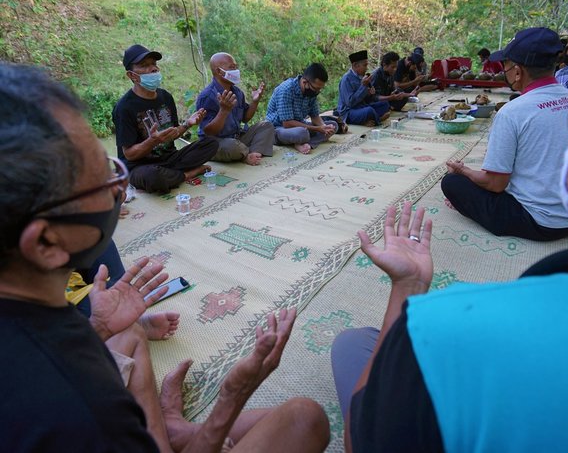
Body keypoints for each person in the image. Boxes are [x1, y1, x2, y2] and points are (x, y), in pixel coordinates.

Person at [332, 11, 568, 453]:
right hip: (559, 222)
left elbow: (367, 439)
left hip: (532, 218)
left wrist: (408, 289)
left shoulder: (444, 328)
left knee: (352, 345)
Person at [0, 63, 331, 452]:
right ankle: (175, 436)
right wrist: (231, 395)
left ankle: (167, 427)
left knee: (129, 332)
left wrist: (100, 329)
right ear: (44, 243)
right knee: (305, 419)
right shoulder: (84, 416)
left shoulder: (33, 319)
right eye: (101, 181)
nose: (119, 191)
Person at [441, 27, 568, 241]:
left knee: (451, 183)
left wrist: (464, 172)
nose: (503, 70)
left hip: (541, 222)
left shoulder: (513, 112)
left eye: (504, 65)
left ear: (517, 71)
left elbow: (496, 184)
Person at [113, 44, 218, 193]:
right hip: (139, 167)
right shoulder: (124, 107)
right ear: (131, 75)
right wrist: (152, 141)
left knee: (211, 143)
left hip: (169, 159)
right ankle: (187, 174)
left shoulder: (165, 97)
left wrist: (187, 124)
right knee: (153, 176)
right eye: (144, 66)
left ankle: (172, 175)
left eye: (153, 64)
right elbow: (129, 154)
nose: (153, 69)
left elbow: (173, 133)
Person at [196, 52, 275, 166]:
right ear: (219, 71)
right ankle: (246, 154)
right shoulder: (207, 96)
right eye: (232, 68)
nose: (236, 71)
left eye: (236, 67)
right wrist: (223, 111)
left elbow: (245, 118)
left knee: (266, 126)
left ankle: (249, 153)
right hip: (216, 143)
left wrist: (255, 101)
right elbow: (208, 131)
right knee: (232, 146)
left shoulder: (237, 92)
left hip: (236, 137)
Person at [265, 63, 338, 154]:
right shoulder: (286, 89)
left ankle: (306, 144)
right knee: (302, 133)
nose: (318, 92)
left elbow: (315, 116)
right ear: (304, 82)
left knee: (333, 125)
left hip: (300, 126)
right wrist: (317, 129)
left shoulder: (311, 92)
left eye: (320, 89)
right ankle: (299, 141)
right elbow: (287, 123)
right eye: (316, 89)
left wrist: (324, 127)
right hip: (278, 128)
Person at [336, 50, 391, 127]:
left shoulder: (362, 76)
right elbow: (350, 103)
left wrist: (370, 93)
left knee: (385, 104)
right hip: (349, 112)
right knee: (369, 110)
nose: (366, 68)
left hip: (361, 107)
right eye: (365, 65)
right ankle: (378, 119)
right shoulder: (346, 79)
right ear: (355, 65)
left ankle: (369, 119)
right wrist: (363, 86)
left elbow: (367, 100)